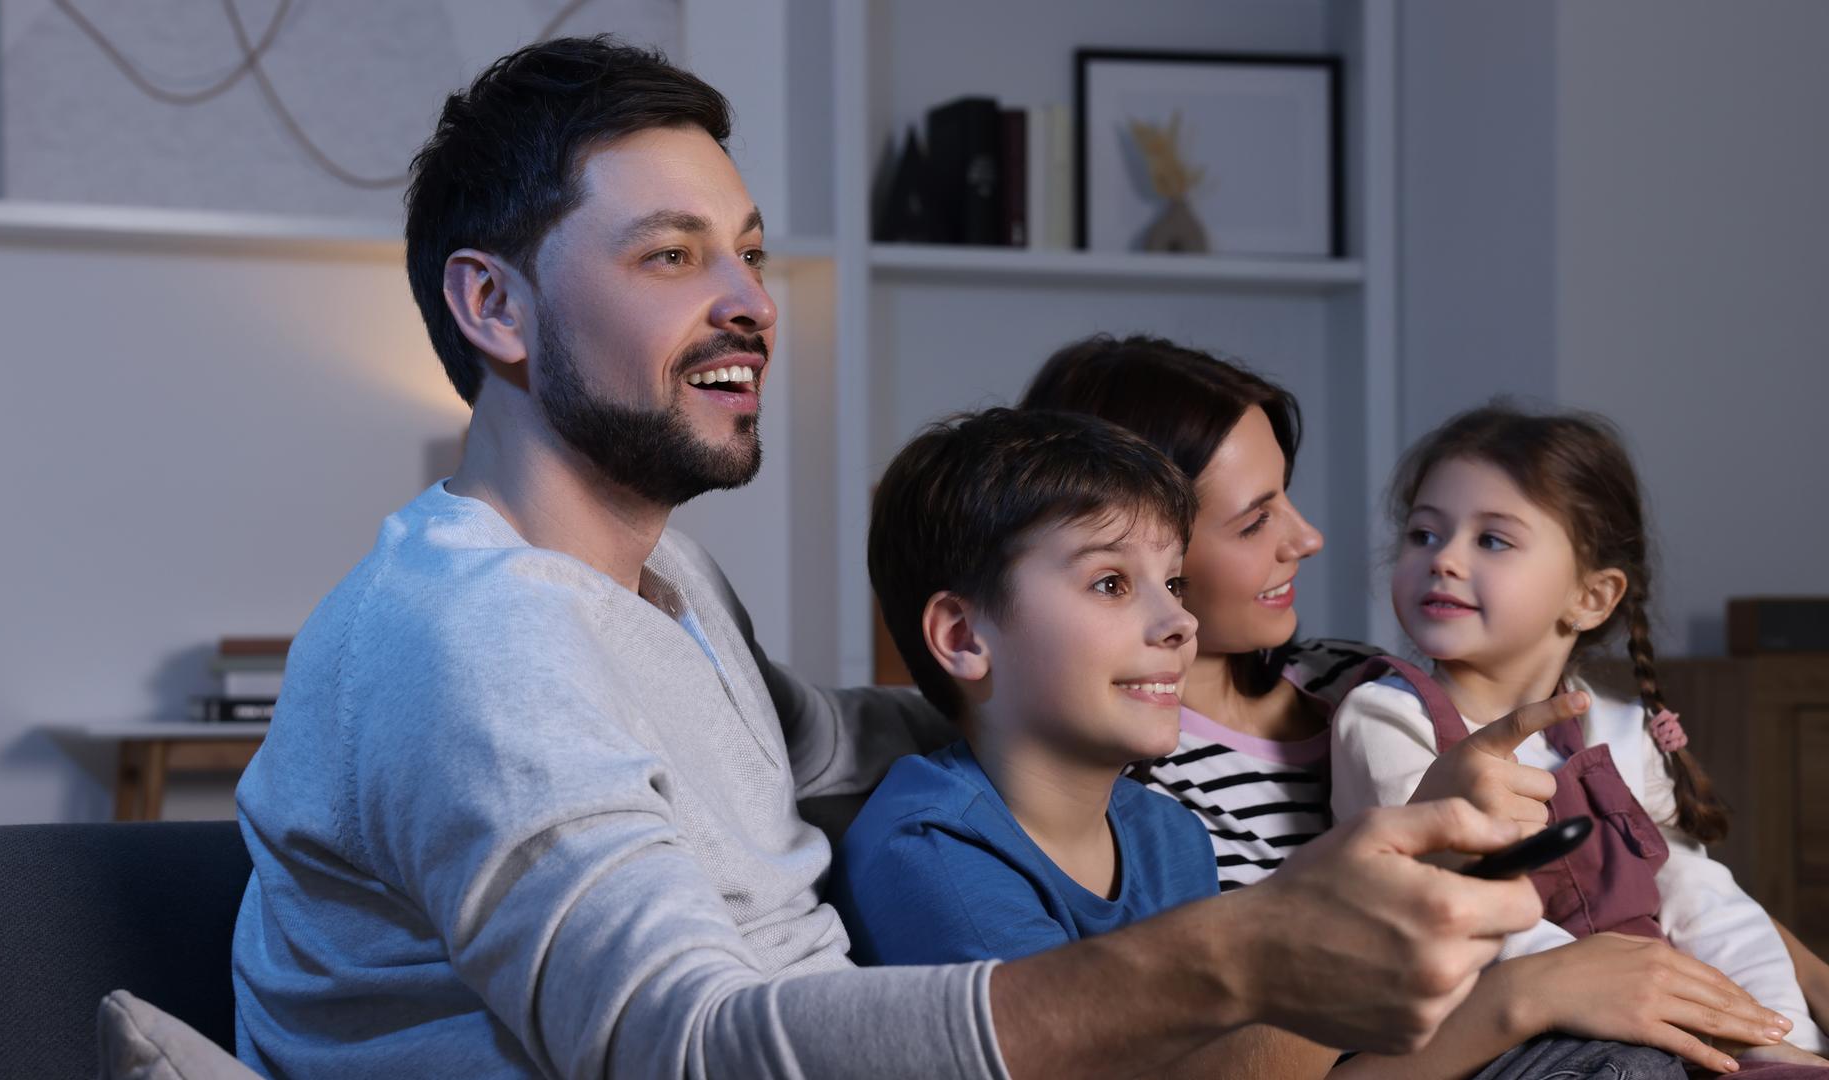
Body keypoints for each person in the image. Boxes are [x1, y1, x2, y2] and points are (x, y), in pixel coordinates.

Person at [233, 38, 1551, 1079]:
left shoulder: (661, 582)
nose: (751, 301)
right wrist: (1230, 961)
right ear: (493, 305)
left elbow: (835, 741)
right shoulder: (474, 645)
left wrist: (1172, 701)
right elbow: (676, 1050)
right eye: (671, 255)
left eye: (749, 253)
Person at [1021, 335, 1802, 1076]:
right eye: (1256, 519)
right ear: (1133, 549)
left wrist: (1798, 1004)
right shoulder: (1136, 799)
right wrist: (1532, 992)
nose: (1308, 538)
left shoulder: (1350, 675)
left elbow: (1670, 879)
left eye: (1287, 495)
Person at [1331, 403, 1829, 1070]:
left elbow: (1703, 900)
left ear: (1591, 598)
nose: (1443, 559)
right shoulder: (1387, 719)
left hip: (1648, 1013)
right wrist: (1637, 1001)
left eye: (1492, 540)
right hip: (1491, 1033)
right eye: (1423, 534)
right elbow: (1454, 913)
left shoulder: (1619, 730)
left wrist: (1777, 1037)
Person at [833, 407, 1218, 967]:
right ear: (963, 637)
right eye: (1110, 583)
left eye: (1174, 583)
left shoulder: (1172, 835)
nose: (1182, 622)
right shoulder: (928, 853)